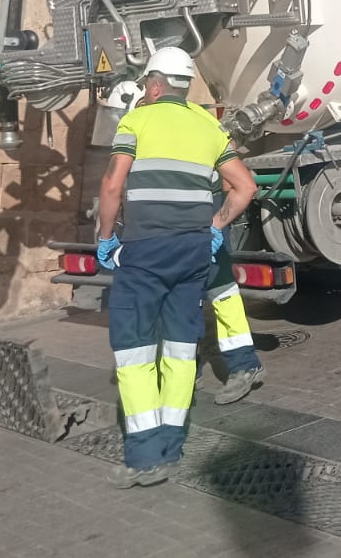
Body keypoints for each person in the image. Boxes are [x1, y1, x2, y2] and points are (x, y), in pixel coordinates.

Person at [96, 46, 257, 488]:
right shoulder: (209, 125)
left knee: (134, 351)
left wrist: (106, 238)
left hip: (145, 250)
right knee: (182, 346)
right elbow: (245, 187)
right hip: (192, 251)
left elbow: (112, 186)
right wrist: (215, 226)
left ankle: (146, 456)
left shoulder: (137, 121)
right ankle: (171, 440)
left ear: (153, 84)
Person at [206, 235, 264, 404]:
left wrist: (215, 227)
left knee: (223, 296)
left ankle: (245, 365)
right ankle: (189, 373)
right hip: (176, 234)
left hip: (204, 231)